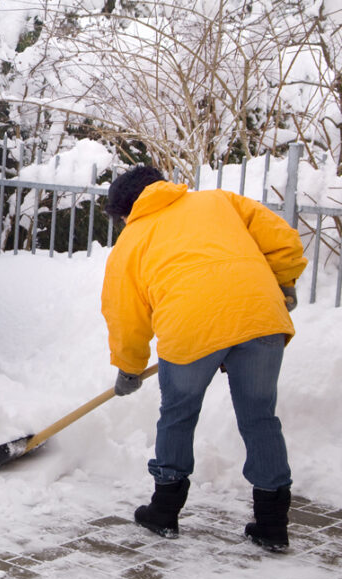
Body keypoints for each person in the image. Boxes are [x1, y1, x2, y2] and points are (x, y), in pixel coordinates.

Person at [100, 166, 306, 553]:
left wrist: (128, 366)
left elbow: (126, 315)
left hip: (190, 328)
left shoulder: (130, 242)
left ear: (127, 209)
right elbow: (284, 241)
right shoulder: (219, 200)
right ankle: (273, 525)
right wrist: (282, 282)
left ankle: (164, 512)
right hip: (260, 318)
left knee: (178, 415)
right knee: (261, 418)